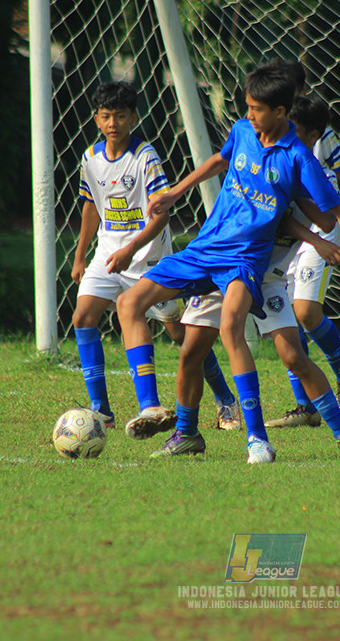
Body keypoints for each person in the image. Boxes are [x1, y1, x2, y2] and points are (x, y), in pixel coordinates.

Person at [115, 63, 340, 464]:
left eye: (256, 107)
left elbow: (335, 214)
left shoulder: (300, 158)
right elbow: (221, 162)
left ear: (282, 111)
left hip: (257, 266)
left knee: (286, 353)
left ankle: (320, 434)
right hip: (210, 250)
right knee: (181, 343)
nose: (249, 115)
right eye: (248, 106)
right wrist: (175, 192)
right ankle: (174, 423)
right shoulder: (244, 132)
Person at [71, 81, 240, 432]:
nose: (113, 123)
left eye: (120, 115)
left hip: (147, 257)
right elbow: (90, 205)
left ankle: (225, 399)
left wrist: (131, 248)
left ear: (133, 117)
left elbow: (160, 213)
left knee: (181, 335)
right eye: (106, 116)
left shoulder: (145, 156)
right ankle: (105, 409)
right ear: (97, 120)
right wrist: (80, 254)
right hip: (107, 253)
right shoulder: (90, 158)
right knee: (83, 317)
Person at [178, 180, 340, 460]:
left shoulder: (306, 174)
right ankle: (185, 434)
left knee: (293, 355)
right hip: (226, 267)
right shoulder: (262, 167)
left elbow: (331, 219)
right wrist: (315, 239)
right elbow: (276, 218)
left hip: (268, 279)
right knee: (191, 351)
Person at [264, 65, 340, 427]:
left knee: (306, 311)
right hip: (289, 230)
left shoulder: (321, 136)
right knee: (286, 317)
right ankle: (306, 406)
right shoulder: (272, 134)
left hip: (321, 228)